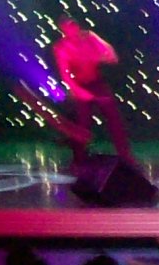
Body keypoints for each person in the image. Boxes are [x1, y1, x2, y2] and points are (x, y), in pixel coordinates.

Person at [53, 18, 136, 164]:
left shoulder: (89, 37)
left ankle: (125, 155)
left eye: (73, 26)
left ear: (77, 27)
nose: (71, 30)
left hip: (97, 82)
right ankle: (79, 158)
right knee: (82, 124)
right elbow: (65, 74)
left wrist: (104, 55)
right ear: (63, 30)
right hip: (79, 84)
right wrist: (78, 91)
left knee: (114, 119)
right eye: (67, 28)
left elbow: (109, 53)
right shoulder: (62, 47)